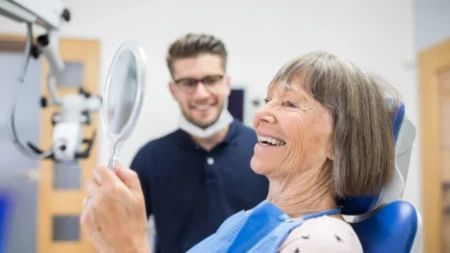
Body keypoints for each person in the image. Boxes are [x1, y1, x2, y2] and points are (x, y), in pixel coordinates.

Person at [81, 51, 400, 253]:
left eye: (289, 103)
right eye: (267, 100)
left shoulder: (321, 244)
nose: (260, 115)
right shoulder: (255, 222)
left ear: (339, 141)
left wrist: (128, 247)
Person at [127, 33, 269, 253]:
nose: (201, 94)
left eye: (211, 80)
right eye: (188, 83)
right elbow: (126, 232)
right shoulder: (149, 159)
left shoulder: (264, 150)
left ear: (227, 84)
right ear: (173, 90)